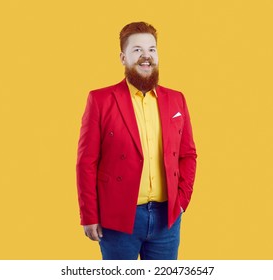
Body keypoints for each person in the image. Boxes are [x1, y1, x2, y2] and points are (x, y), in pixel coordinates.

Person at [76, 22, 197, 260]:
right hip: (119, 218)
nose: (146, 56)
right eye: (137, 50)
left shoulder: (176, 99)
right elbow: (86, 163)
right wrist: (89, 215)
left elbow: (188, 154)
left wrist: (182, 200)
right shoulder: (100, 100)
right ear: (123, 57)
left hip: (167, 219)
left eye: (152, 49)